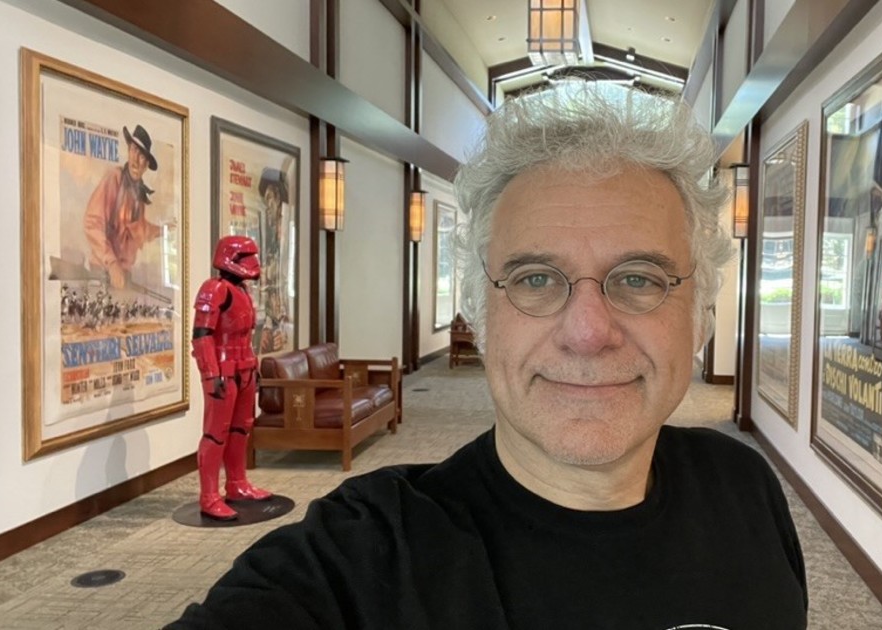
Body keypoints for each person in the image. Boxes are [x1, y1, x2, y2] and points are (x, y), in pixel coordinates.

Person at [171, 85, 807, 628]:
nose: (588, 332)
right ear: (480, 314)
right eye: (536, 279)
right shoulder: (362, 556)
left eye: (639, 278)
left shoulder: (745, 489)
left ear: (700, 315)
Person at [190, 235, 273, 520]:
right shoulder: (214, 289)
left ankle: (237, 484)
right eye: (245, 257)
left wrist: (254, 368)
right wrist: (211, 373)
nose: (252, 263)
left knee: (241, 429)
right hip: (223, 371)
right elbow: (201, 336)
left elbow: (246, 335)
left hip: (244, 368)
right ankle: (209, 497)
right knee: (216, 433)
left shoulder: (242, 291)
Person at [84, 124, 165, 290]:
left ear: (146, 164)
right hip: (103, 274)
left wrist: (165, 230)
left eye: (141, 156)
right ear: (128, 150)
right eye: (134, 150)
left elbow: (139, 230)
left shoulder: (139, 195)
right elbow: (92, 223)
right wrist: (112, 263)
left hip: (123, 277)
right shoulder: (114, 178)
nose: (135, 160)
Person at [255, 167, 290, 353]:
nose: (269, 207)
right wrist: (265, 328)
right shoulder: (266, 242)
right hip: (268, 323)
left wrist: (283, 330)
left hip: (280, 325)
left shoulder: (286, 243)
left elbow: (283, 286)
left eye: (272, 199)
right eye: (267, 200)